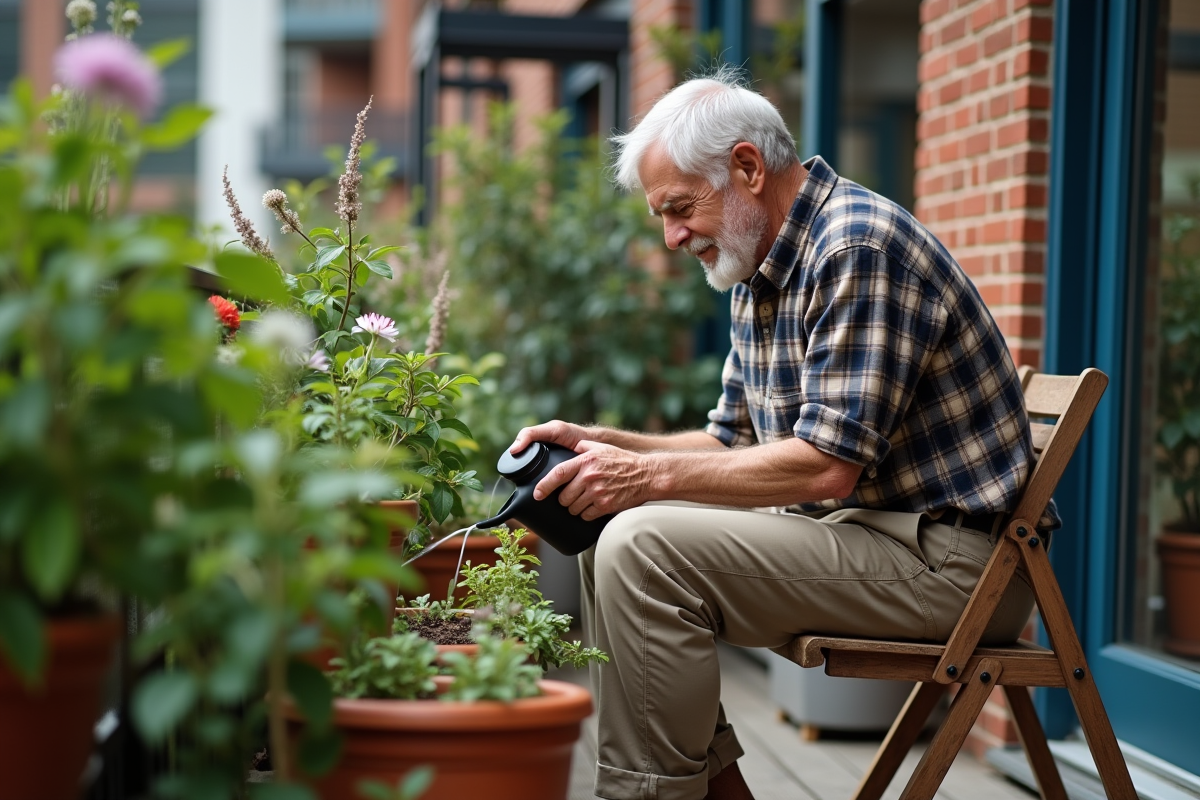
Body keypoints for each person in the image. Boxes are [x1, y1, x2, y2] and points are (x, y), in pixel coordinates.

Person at [509, 72, 1049, 800]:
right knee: (610, 537)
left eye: (677, 208)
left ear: (747, 169)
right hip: (874, 539)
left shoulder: (857, 246)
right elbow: (730, 442)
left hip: (955, 566)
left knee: (643, 546)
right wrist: (605, 443)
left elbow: (828, 466)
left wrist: (644, 481)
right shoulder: (757, 272)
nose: (671, 238)